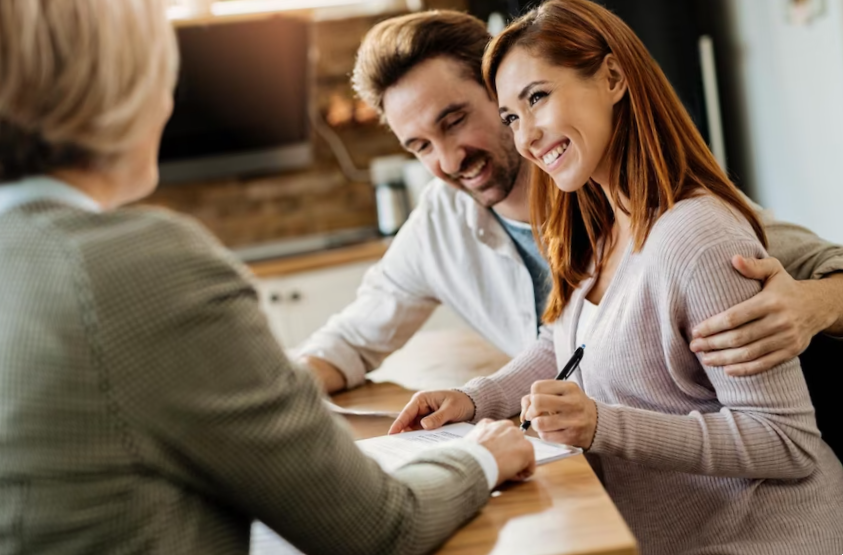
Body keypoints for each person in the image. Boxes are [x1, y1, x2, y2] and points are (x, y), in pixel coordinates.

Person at [0, 2, 536, 554]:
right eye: (163, 77)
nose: (446, 161)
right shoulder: (145, 265)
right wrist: (478, 454)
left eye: (453, 121)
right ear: (123, 92)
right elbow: (377, 526)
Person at [391, 1, 843, 554]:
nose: (526, 136)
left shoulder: (698, 237)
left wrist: (602, 425)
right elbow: (563, 343)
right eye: (510, 116)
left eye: (538, 97)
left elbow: (787, 442)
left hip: (761, 537)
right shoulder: (602, 226)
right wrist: (473, 400)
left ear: (612, 77)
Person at [296, 10, 843, 397]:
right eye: (420, 146)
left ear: (503, 93)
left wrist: (814, 305)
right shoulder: (440, 226)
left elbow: (824, 268)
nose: (448, 159)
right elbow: (350, 339)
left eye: (455, 120)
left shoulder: (640, 195)